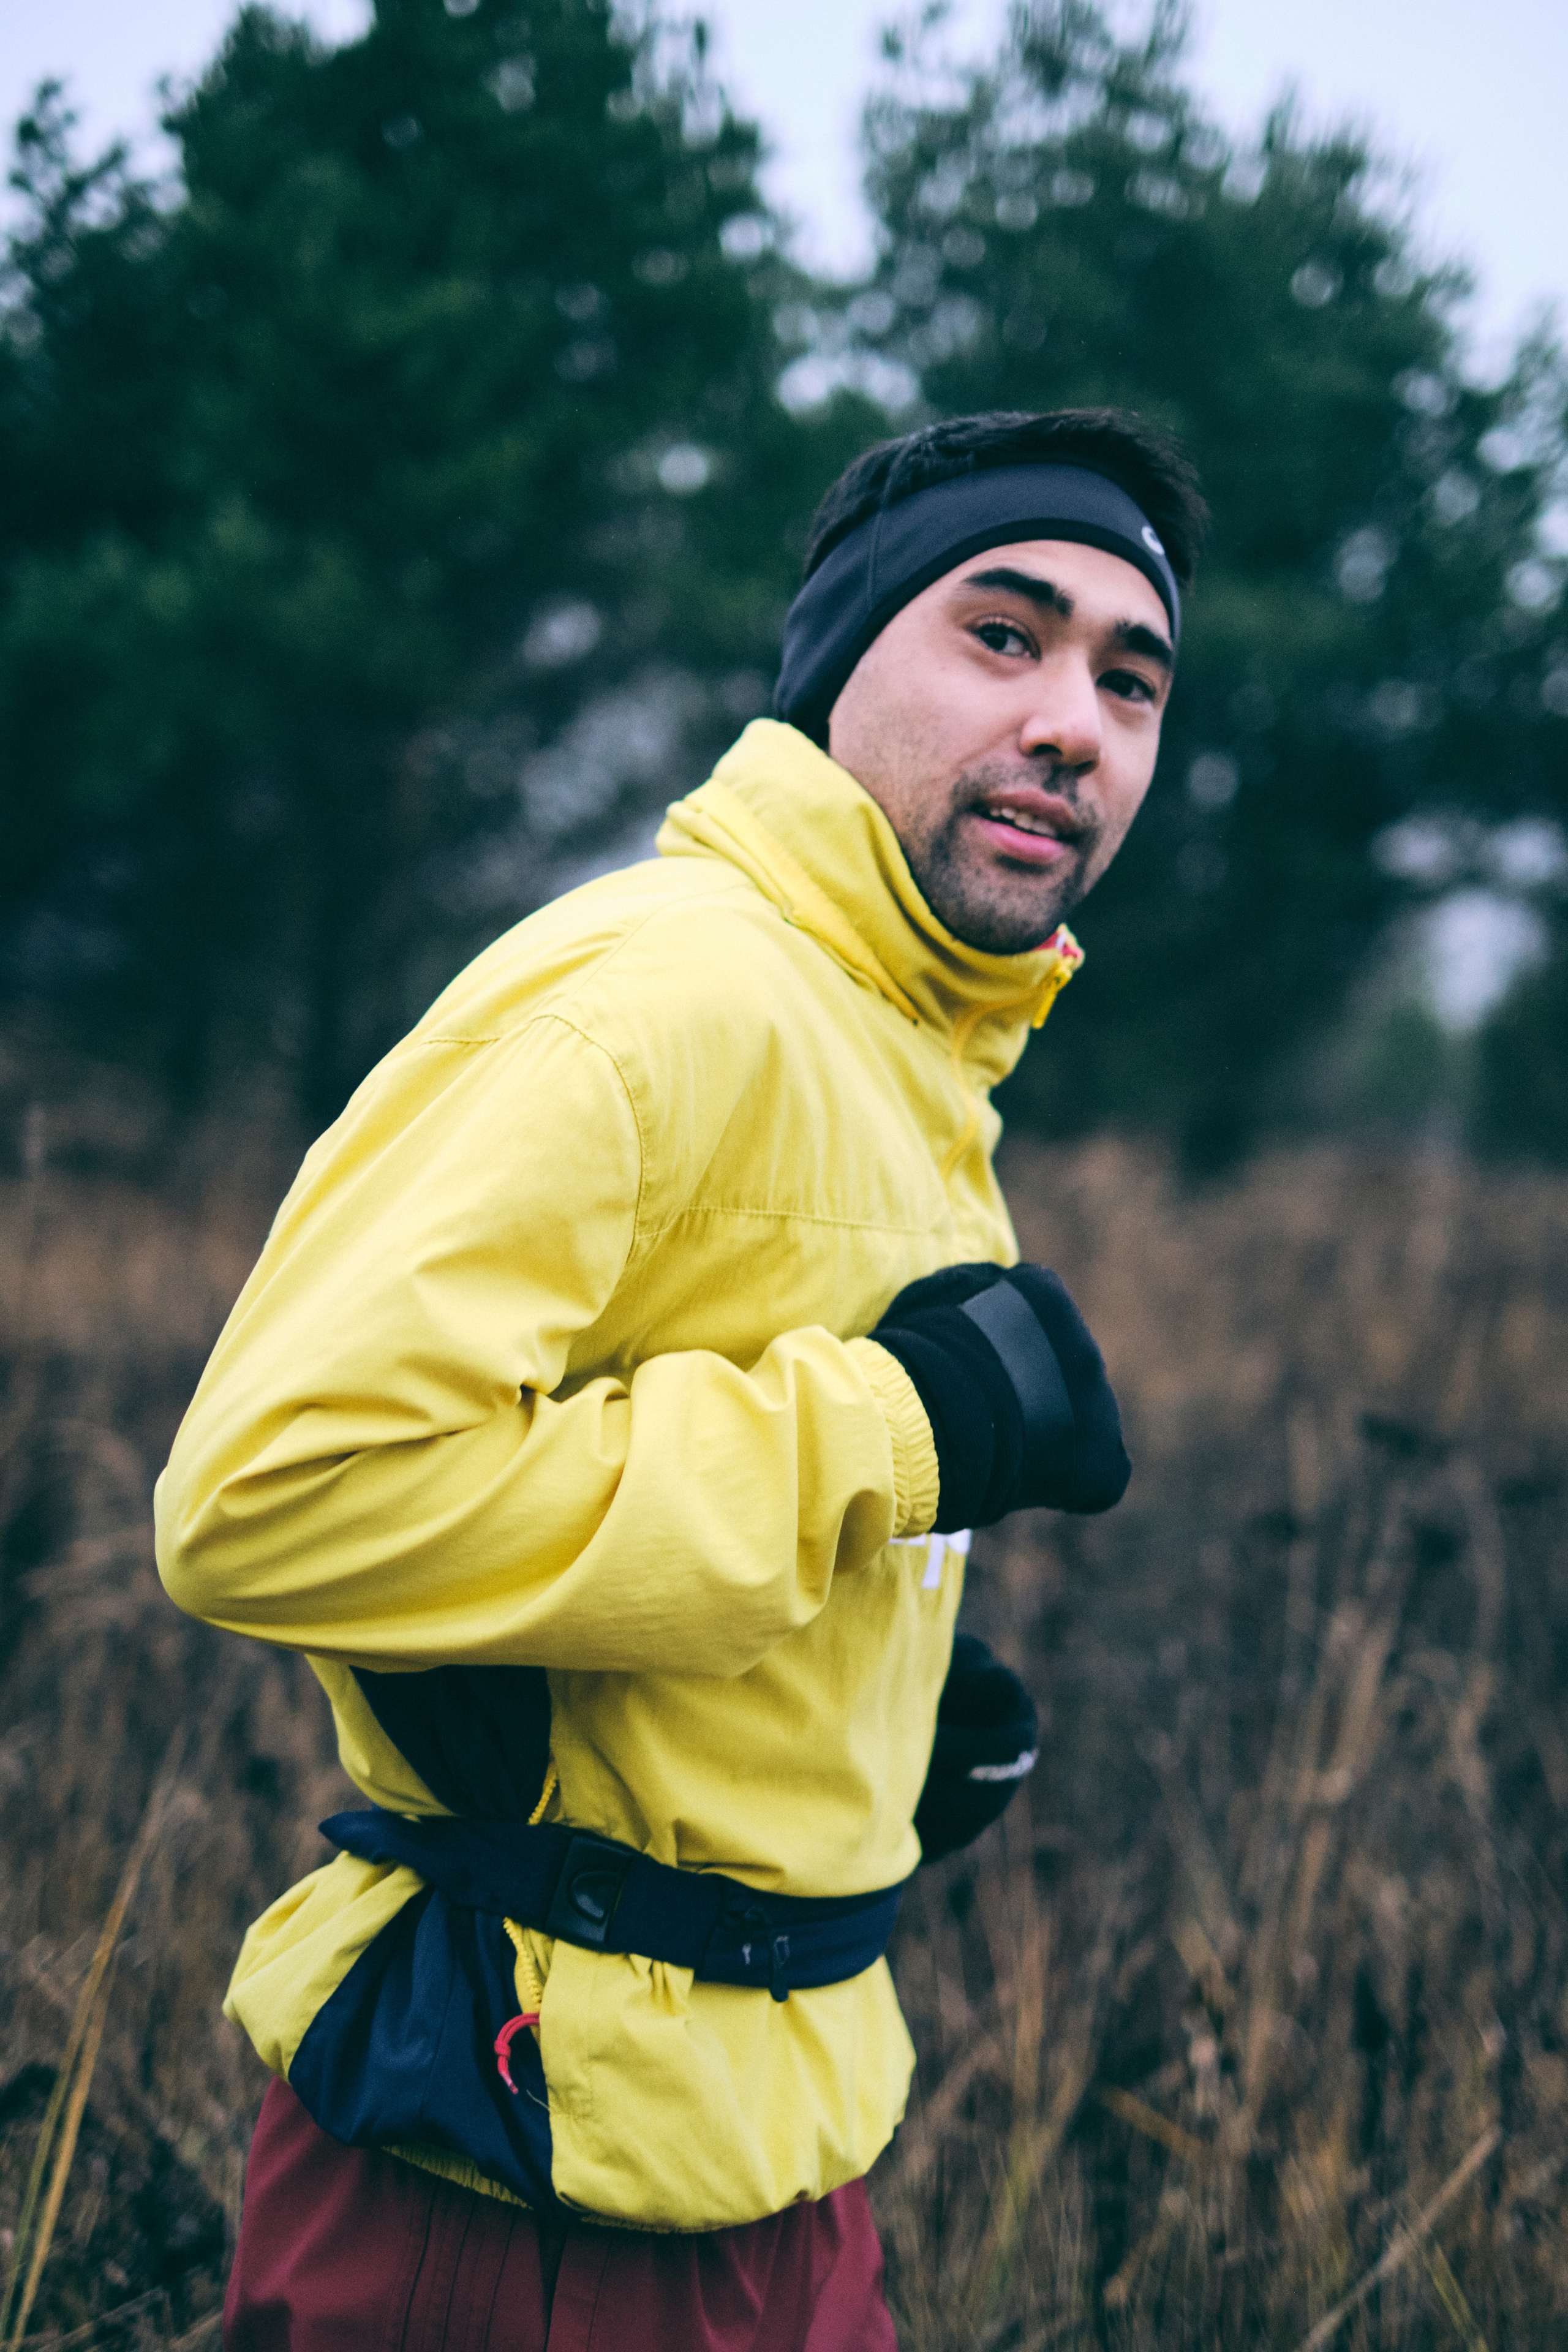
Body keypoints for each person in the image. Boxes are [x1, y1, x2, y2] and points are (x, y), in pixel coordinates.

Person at [156, 405, 1207, 2350]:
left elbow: (661, 1470)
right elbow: (270, 1500)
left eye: (1130, 681)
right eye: (1005, 634)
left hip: (774, 2158)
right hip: (504, 2176)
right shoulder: (662, 997)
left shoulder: (907, 1050)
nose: (1076, 722)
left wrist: (848, 1718)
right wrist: (900, 1437)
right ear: (833, 661)